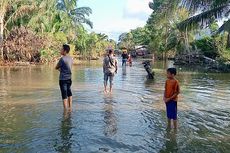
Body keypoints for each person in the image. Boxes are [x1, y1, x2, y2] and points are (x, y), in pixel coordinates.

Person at [56, 44, 73, 110]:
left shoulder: (62, 59)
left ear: (65, 51)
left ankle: (65, 111)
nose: (61, 50)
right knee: (69, 93)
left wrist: (61, 70)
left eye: (62, 49)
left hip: (63, 79)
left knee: (64, 95)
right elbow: (68, 68)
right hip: (69, 79)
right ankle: (70, 108)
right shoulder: (71, 58)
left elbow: (56, 67)